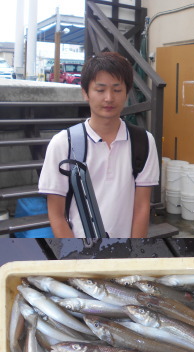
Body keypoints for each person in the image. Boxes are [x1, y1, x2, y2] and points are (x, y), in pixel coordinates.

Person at [38, 52, 159, 238]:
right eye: (100, 90)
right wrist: (78, 258)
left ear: (127, 93)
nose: (109, 98)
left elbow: (142, 207)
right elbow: (56, 214)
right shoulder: (63, 143)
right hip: (80, 253)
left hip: (124, 254)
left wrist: (133, 255)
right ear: (85, 92)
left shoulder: (144, 141)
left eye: (117, 90)